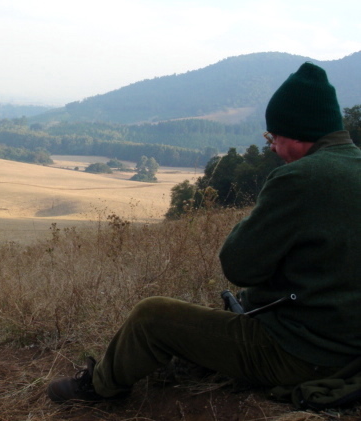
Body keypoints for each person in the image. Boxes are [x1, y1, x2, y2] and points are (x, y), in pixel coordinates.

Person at [47, 62, 361, 403]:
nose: (271, 147)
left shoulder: (299, 179)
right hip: (350, 348)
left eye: (273, 137)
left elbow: (240, 267)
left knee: (153, 316)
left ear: (297, 134)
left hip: (304, 355)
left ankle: (98, 389)